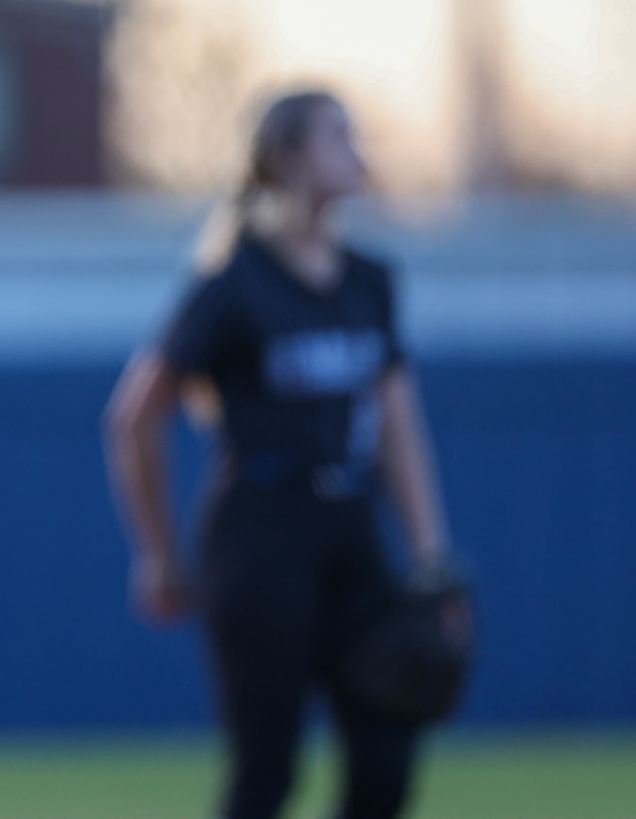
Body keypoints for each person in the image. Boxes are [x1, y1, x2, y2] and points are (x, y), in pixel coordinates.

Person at [103, 90, 457, 819]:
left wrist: (430, 554)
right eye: (337, 136)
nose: (357, 151)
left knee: (387, 755)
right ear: (284, 158)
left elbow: (398, 424)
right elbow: (134, 419)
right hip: (261, 528)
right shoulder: (235, 282)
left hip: (350, 525)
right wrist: (159, 555)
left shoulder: (369, 281)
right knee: (268, 772)